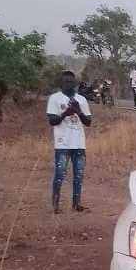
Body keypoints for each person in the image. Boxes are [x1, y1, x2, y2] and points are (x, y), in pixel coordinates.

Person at [46, 70, 91, 213]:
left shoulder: (81, 100)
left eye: (69, 82)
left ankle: (76, 204)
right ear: (61, 83)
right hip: (62, 143)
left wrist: (79, 111)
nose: (66, 84)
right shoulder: (55, 98)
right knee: (60, 175)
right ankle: (55, 205)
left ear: (74, 83)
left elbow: (88, 122)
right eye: (64, 81)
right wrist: (66, 113)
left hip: (79, 143)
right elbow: (52, 121)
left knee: (78, 175)